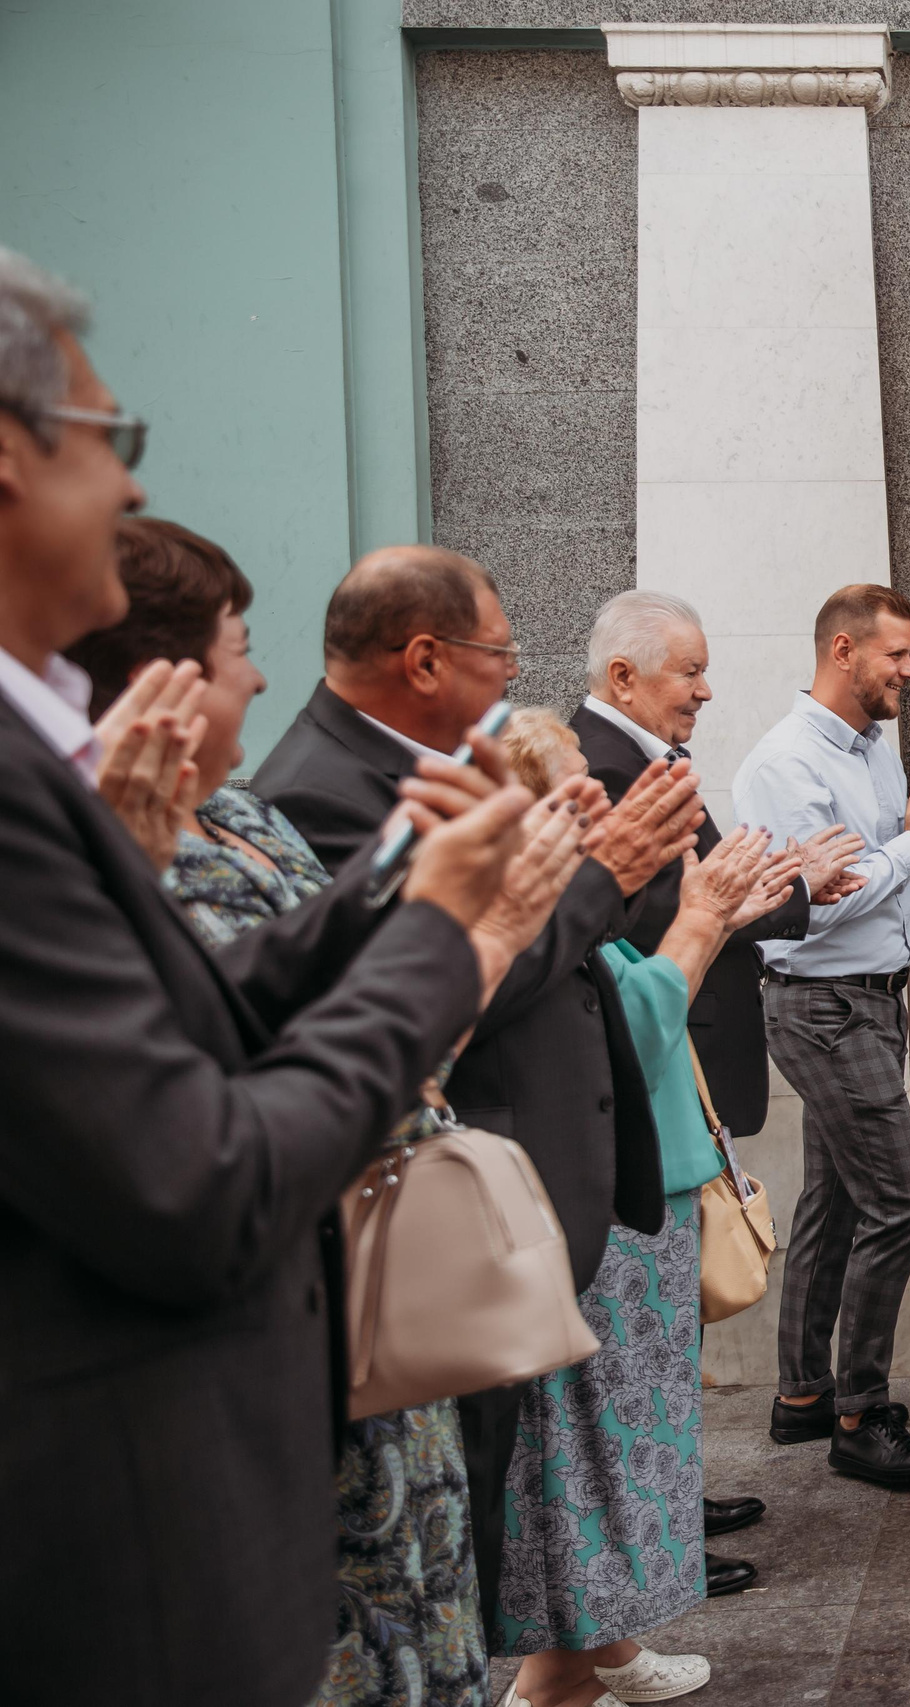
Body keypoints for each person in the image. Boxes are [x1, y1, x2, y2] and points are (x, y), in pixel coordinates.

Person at [0, 245, 534, 1703]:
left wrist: (395, 890)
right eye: (110, 434)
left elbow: (204, 1012)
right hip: (121, 1547)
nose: (128, 484)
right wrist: (445, 935)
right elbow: (204, 1178)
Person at [61, 517, 590, 1707]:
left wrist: (435, 882)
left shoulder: (244, 817)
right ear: (164, 683)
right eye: (239, 648)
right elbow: (257, 1074)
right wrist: (478, 931)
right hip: (286, 1317)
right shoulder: (116, 853)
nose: (259, 679)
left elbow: (319, 973)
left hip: (367, 1321)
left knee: (432, 1614)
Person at [251, 546, 704, 1647]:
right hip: (433, 1211)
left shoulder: (433, 767)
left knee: (479, 1518)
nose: (513, 673)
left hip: (522, 1173)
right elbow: (450, 992)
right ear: (424, 659)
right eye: (499, 651)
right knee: (450, 1542)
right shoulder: (323, 791)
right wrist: (598, 877)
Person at [494, 711, 794, 1707]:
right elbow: (626, 1034)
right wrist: (701, 921)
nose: (598, 800)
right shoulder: (531, 912)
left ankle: (606, 1652)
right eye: (574, 786)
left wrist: (716, 912)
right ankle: (557, 1680)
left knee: (617, 1455)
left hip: (635, 1198)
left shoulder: (567, 908)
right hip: (603, 1214)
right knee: (600, 1457)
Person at [569, 589, 865, 1582]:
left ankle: (674, 1499)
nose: (704, 690)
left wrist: (787, 884)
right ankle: (658, 1529)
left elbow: (707, 891)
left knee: (670, 1314)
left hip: (681, 1055)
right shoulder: (597, 768)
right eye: (689, 671)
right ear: (623, 677)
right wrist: (781, 888)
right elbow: (659, 913)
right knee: (643, 1324)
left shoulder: (648, 759)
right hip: (647, 1059)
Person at [734, 582, 910, 1485]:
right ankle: (861, 1413)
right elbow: (814, 910)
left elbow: (881, 873)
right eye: (897, 654)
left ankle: (802, 1393)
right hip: (823, 1005)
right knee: (905, 1201)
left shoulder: (874, 745)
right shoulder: (784, 765)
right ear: (843, 651)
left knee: (836, 1200)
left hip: (874, 1001)